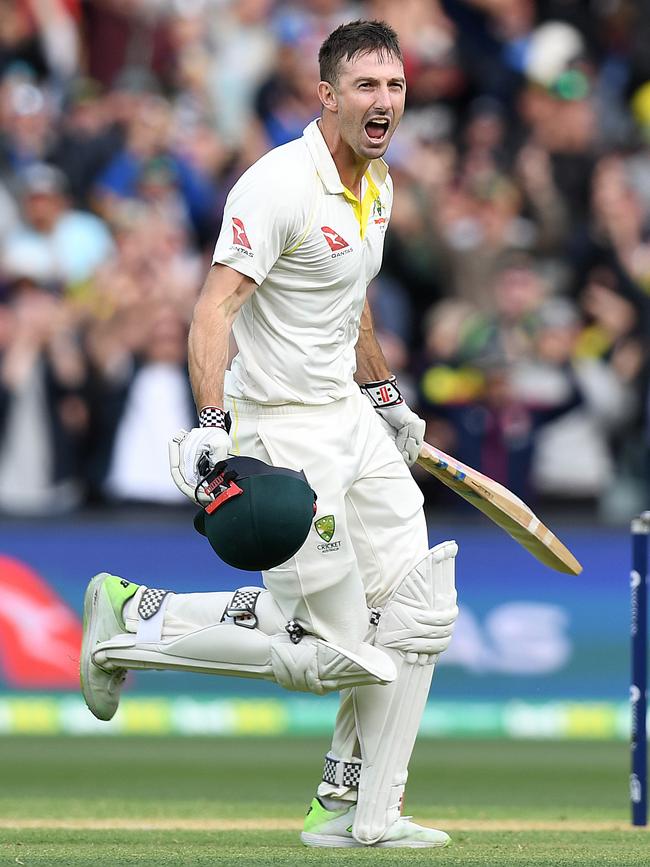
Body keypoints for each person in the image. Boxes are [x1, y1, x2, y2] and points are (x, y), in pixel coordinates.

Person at [80, 20, 459, 849]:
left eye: (394, 86)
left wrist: (386, 395)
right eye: (366, 86)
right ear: (327, 95)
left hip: (351, 420)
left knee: (420, 610)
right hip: (282, 433)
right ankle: (127, 621)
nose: (384, 101)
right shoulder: (278, 184)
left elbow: (349, 292)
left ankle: (364, 813)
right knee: (332, 651)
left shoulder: (379, 181)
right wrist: (214, 429)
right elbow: (213, 308)